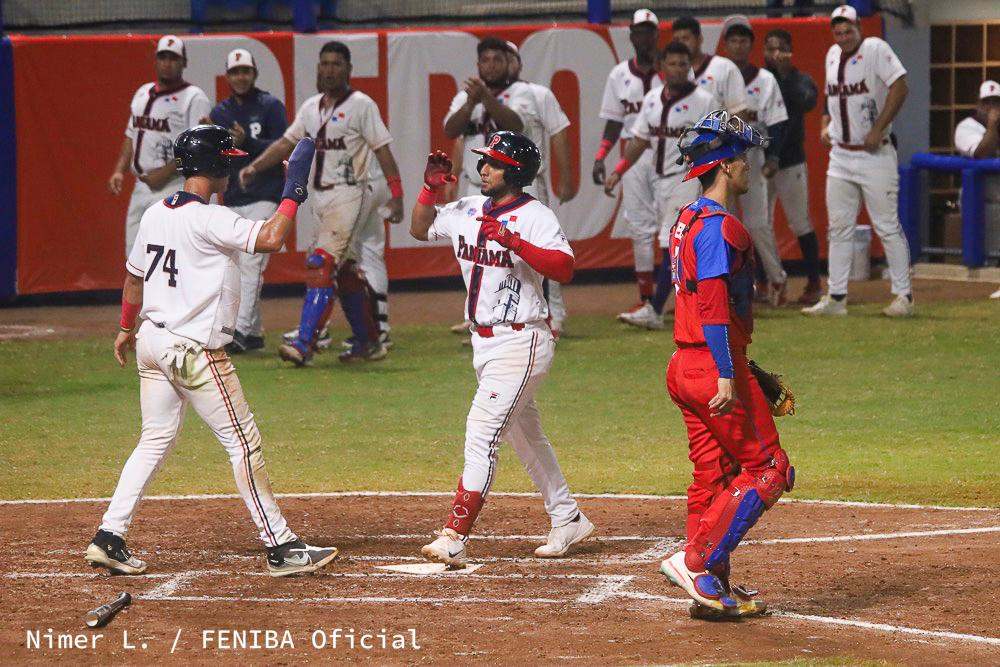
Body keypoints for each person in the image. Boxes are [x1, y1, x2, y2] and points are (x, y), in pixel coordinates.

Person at [85, 126, 337, 578]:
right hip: (192, 351)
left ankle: (109, 535)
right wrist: (293, 190)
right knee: (243, 443)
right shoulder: (211, 218)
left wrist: (125, 328)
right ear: (218, 165)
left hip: (152, 342)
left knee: (155, 439)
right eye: (229, 159)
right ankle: (281, 545)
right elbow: (272, 237)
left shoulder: (154, 213)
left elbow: (133, 278)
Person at [409, 132, 595, 567]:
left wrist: (514, 242)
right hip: (484, 343)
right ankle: (567, 516)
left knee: (482, 431)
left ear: (515, 170)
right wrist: (430, 189)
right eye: (484, 161)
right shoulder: (468, 208)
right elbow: (419, 229)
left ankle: (455, 534)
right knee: (525, 435)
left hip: (522, 339)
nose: (483, 168)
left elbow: (564, 267)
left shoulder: (535, 216)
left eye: (493, 162)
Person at [658, 109, 794, 619]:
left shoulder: (686, 219)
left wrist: (733, 360)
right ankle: (697, 563)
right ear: (726, 167)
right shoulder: (720, 226)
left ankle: (709, 589)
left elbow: (700, 304)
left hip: (684, 363)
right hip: (710, 367)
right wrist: (728, 371)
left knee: (713, 477)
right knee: (769, 469)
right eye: (742, 159)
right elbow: (714, 303)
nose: (747, 168)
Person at [241, 41, 404, 364]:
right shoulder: (312, 107)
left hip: (351, 192)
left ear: (348, 69)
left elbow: (383, 149)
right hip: (321, 198)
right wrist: (255, 166)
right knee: (343, 272)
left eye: (336, 64)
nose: (329, 70)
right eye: (324, 64)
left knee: (321, 264)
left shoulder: (361, 105)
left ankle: (305, 344)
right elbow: (287, 143)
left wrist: (396, 194)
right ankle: (368, 341)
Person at [803, 5, 913, 317]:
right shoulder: (832, 55)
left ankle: (904, 295)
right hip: (841, 154)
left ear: (859, 27)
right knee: (838, 227)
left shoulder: (875, 48)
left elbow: (900, 85)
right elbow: (830, 95)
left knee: (887, 225)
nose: (843, 36)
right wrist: (825, 125)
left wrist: (878, 128)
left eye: (848, 29)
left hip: (874, 154)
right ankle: (836, 297)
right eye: (837, 31)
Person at [603, 41, 716, 330]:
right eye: (672, 63)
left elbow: (718, 139)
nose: (678, 69)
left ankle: (655, 308)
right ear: (662, 67)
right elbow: (640, 139)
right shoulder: (653, 97)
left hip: (687, 179)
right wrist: (618, 170)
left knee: (670, 242)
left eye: (683, 64)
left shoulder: (704, 99)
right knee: (678, 245)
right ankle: (694, 306)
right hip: (658, 180)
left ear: (690, 67)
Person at [209, 48, 288, 354]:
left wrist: (249, 143)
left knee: (252, 262)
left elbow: (285, 146)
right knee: (233, 266)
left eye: (245, 71)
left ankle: (238, 331)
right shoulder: (221, 113)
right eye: (235, 72)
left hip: (265, 195)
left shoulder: (270, 106)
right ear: (227, 76)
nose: (240, 77)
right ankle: (253, 332)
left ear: (254, 74)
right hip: (233, 198)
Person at [593, 9, 666, 320]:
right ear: (632, 36)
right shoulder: (620, 74)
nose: (645, 37)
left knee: (673, 228)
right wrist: (601, 155)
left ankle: (674, 296)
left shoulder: (673, 70)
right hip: (634, 155)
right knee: (639, 227)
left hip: (668, 153)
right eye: (640, 31)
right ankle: (647, 298)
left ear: (656, 35)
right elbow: (613, 119)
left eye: (650, 31)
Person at [109, 35, 211, 257]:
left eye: (173, 58)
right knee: (134, 257)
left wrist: (162, 175)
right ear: (155, 61)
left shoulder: (194, 97)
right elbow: (131, 134)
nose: (167, 63)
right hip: (141, 185)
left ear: (184, 63)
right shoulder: (143, 91)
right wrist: (119, 170)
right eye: (163, 57)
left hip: (173, 184)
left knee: (165, 255)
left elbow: (195, 147)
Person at [721, 15, 790, 306]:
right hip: (721, 159)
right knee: (722, 225)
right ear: (725, 44)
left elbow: (777, 123)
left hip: (752, 155)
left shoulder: (764, 79)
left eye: (744, 40)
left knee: (758, 224)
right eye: (733, 40)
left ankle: (777, 279)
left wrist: (773, 157)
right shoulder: (717, 75)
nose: (739, 45)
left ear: (751, 44)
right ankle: (736, 287)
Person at [764, 29, 823, 305]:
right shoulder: (758, 80)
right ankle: (765, 281)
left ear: (790, 51)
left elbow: (808, 101)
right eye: (771, 48)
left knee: (800, 222)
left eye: (781, 48)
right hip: (760, 163)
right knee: (757, 225)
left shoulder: (800, 80)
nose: (776, 54)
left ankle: (813, 282)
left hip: (790, 161)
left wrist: (786, 77)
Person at [954, 79, 1000, 296]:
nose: (992, 107)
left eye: (996, 102)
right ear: (979, 105)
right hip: (980, 197)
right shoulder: (966, 127)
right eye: (987, 103)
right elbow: (981, 152)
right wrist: (992, 126)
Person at [671, 16, 749, 117]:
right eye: (677, 40)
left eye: (685, 39)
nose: (681, 44)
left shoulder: (725, 68)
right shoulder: (673, 73)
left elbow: (739, 114)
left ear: (699, 39)